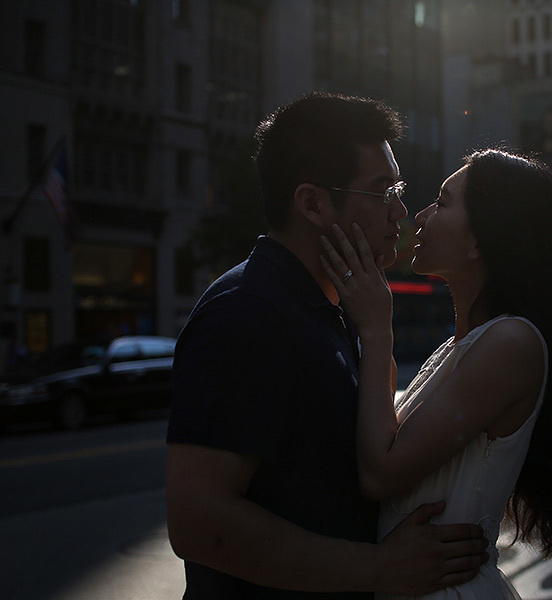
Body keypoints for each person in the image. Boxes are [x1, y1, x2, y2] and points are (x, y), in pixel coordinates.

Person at [165, 92, 488, 599]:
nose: (400, 211)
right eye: (383, 190)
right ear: (312, 203)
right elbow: (200, 522)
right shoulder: (248, 312)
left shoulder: (329, 308)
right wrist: (378, 568)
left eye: (399, 188)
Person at [321, 148, 552, 598]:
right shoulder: (465, 347)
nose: (420, 215)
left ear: (480, 239)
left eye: (442, 203)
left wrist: (378, 330)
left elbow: (381, 474)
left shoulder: (511, 343)